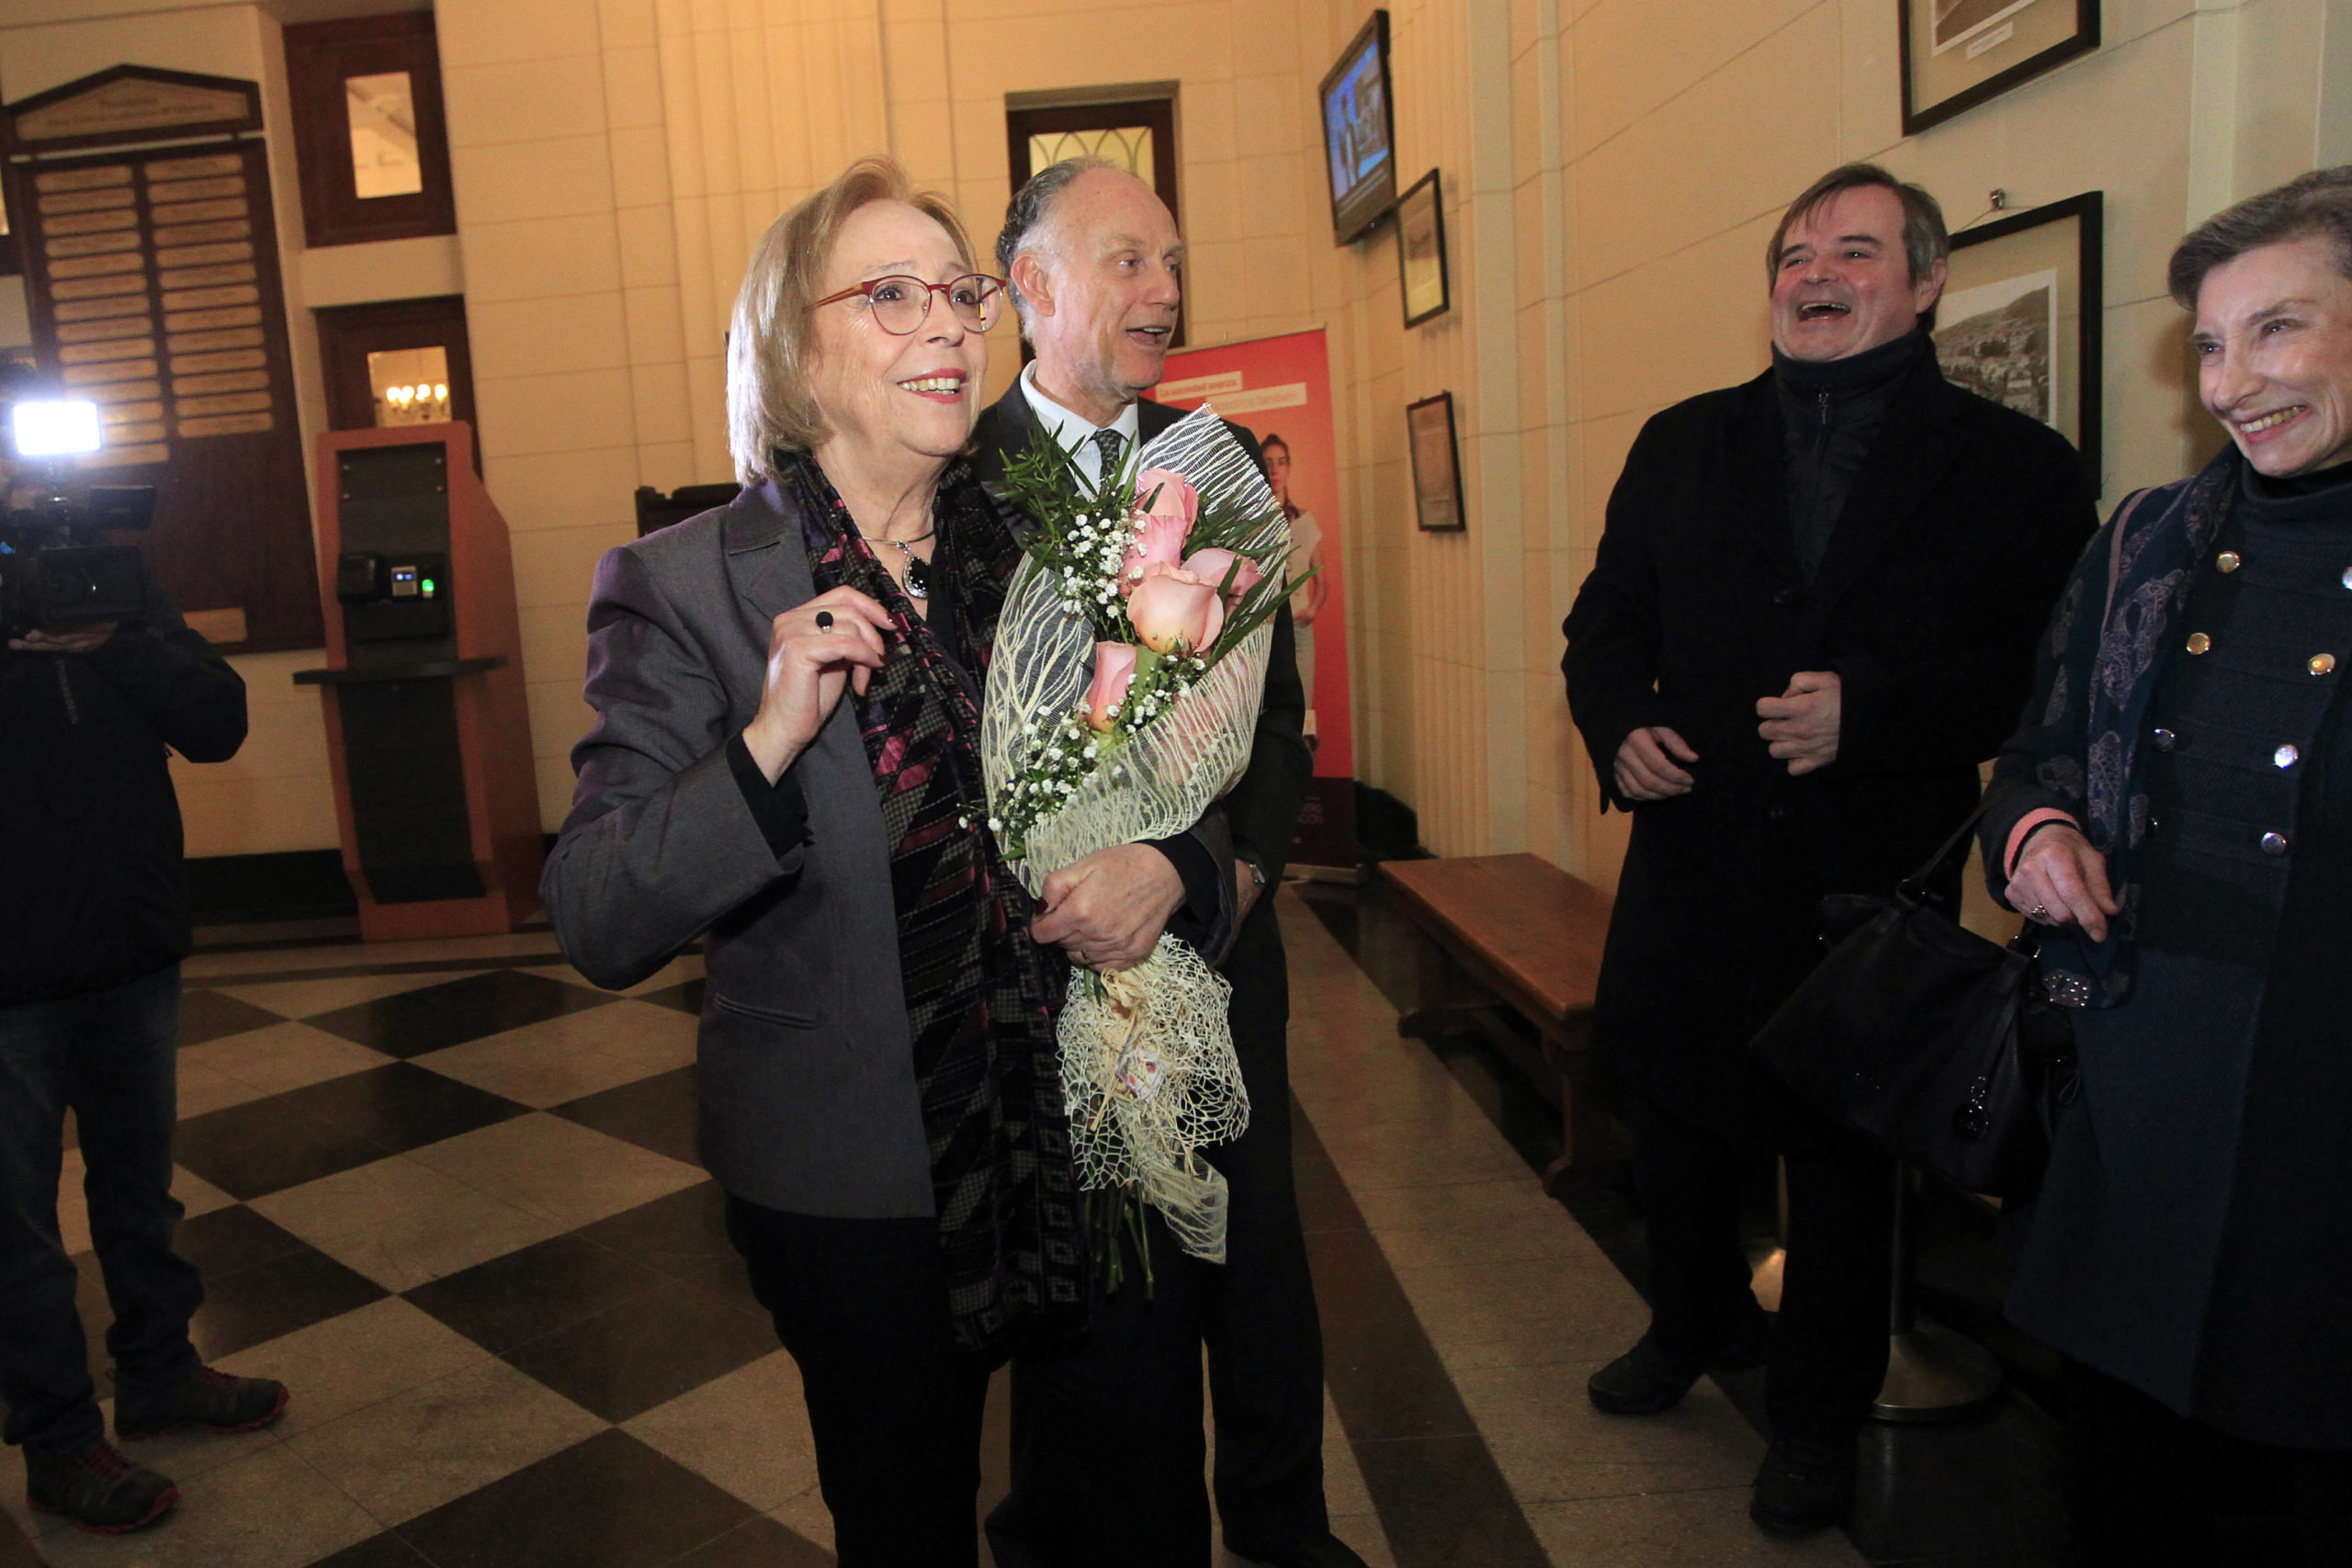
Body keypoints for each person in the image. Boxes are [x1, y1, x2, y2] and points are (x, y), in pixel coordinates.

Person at [541, 156, 1235, 1568]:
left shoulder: (1054, 544)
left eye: (962, 294)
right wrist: (766, 742)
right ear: (795, 346)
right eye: (893, 295)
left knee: (1128, 1509)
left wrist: (1175, 867)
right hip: (859, 1182)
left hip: (1093, 1133)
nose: (951, 328)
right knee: (907, 1522)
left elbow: (1186, 769)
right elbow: (598, 909)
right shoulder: (689, 585)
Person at [1561, 162, 2097, 1535]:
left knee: (1843, 1174)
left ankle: (1813, 1424)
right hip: (1692, 861)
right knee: (1673, 1130)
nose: (1814, 274)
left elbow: (2047, 680)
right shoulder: (1683, 442)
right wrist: (1618, 726)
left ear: (1926, 281)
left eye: (1853, 251)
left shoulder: (2017, 470)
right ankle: (1690, 1324)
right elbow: (1604, 624)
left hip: (1868, 889)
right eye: (1795, 254)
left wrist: (1874, 712)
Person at [968, 160, 1343, 1568]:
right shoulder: (958, 484)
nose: (1167, 291)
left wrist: (1227, 871)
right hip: (1060, 971)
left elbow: (1278, 724)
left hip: (1222, 939)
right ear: (1032, 284)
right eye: (1129, 260)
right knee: (1105, 1302)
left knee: (1260, 1269)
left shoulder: (1217, 460)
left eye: (1174, 262)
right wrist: (1076, 896)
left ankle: (1286, 1529)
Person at [1981, 166, 2352, 1566]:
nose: (2232, 383)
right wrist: (2035, 834)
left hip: (2328, 1126)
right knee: (2130, 1484)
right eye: (2209, 342)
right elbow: (2035, 757)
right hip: (2144, 1104)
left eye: (2278, 328)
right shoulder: (2148, 541)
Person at [0, 547, 287, 1535]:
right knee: (19, 1234)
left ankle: (160, 1373)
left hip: (128, 941)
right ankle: (57, 1443)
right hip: (7, 974)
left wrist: (116, 638)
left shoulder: (103, 577)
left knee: (140, 1193)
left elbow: (216, 721)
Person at [1259, 434, 1330, 739]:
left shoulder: (1303, 522)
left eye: (1281, 462)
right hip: (1265, 631)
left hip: (1298, 630)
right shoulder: (1252, 521)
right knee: (1266, 713)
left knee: (1302, 712)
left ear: (1288, 467)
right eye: (1268, 463)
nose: (1275, 470)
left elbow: (1322, 581)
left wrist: (1311, 610)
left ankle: (1303, 765)